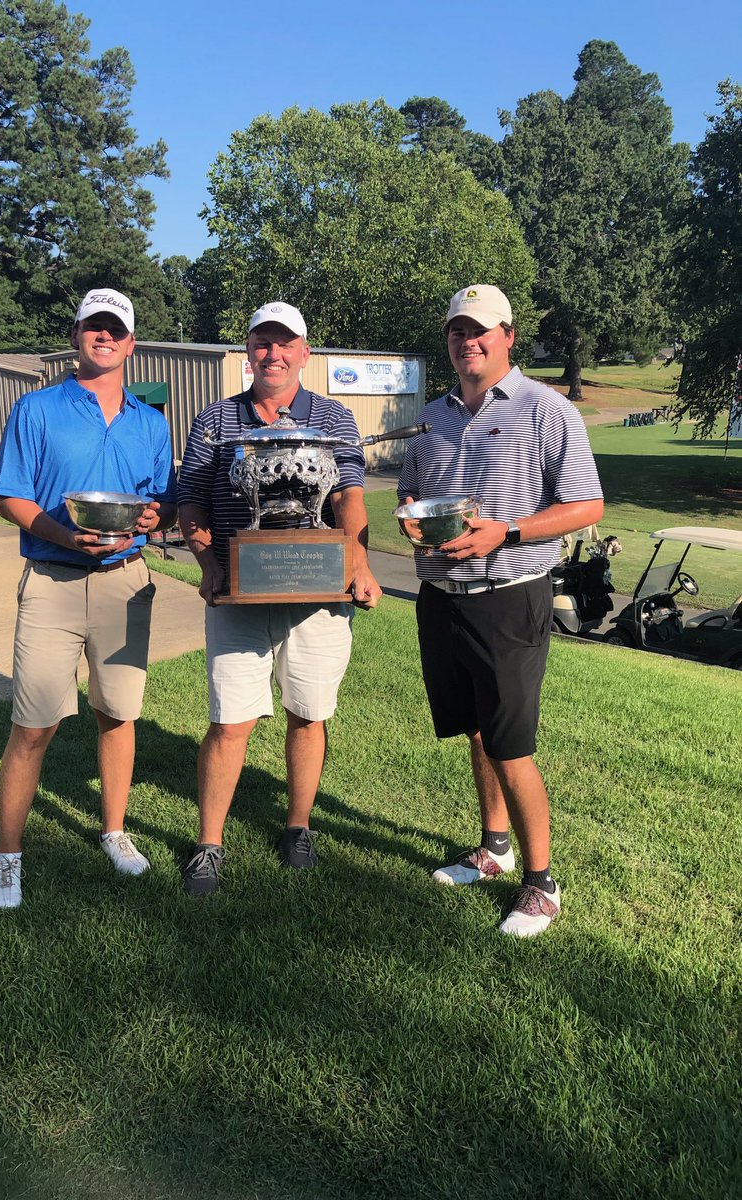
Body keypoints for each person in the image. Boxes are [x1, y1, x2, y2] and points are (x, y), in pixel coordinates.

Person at [398, 284, 603, 938]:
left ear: (509, 335)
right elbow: (410, 490)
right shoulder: (433, 415)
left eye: (481, 330)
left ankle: (541, 885)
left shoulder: (546, 410)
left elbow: (585, 507)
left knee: (511, 746)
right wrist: (410, 516)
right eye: (458, 331)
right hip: (442, 597)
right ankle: (494, 848)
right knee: (477, 732)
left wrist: (506, 531)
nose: (469, 341)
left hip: (509, 596)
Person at [177, 301, 382, 896]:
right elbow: (191, 499)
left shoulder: (336, 418)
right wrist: (210, 564)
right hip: (241, 591)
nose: (274, 353)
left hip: (319, 590)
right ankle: (209, 843)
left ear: (304, 352)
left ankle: (298, 825)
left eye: (285, 343)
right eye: (262, 343)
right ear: (248, 352)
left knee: (308, 711)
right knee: (230, 718)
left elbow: (347, 498)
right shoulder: (217, 420)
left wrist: (360, 565)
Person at [0, 287, 177, 909]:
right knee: (33, 725)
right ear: (76, 336)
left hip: (125, 581)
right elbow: (11, 495)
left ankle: (114, 832)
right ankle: (7, 856)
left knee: (118, 715)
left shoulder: (150, 420)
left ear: (131, 342)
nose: (104, 337)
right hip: (52, 581)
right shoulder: (37, 410)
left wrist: (155, 517)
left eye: (115, 329)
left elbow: (163, 500)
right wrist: (63, 533)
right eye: (93, 327)